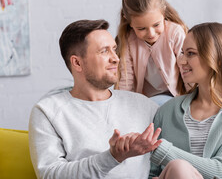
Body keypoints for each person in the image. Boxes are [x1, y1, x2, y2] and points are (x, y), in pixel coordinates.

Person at [28, 19, 162, 179]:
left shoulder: (143, 105)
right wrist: (112, 157)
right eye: (104, 51)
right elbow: (50, 175)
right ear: (77, 63)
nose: (116, 58)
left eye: (114, 49)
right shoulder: (48, 111)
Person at [149, 22, 222, 179]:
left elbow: (221, 171)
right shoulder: (167, 111)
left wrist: (161, 149)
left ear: (218, 59)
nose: (181, 61)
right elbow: (151, 174)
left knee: (179, 167)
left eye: (190, 53)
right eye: (182, 53)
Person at [114, 0, 189, 105]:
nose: (151, 33)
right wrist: (122, 106)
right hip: (145, 102)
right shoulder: (128, 40)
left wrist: (193, 101)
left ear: (163, 13)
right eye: (141, 28)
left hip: (178, 98)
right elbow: (126, 80)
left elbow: (187, 70)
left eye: (156, 25)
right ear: (128, 20)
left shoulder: (175, 33)